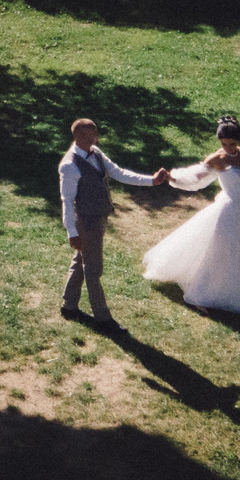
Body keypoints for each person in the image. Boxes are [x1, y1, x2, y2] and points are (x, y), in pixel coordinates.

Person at [141, 116, 240, 314]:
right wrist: (173, 177)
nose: (229, 148)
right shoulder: (218, 160)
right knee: (224, 251)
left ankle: (233, 289)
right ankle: (201, 294)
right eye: (224, 144)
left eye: (232, 144)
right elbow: (196, 177)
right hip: (228, 211)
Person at [58, 118, 172, 329]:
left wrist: (151, 180)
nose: (97, 136)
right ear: (80, 136)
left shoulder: (97, 153)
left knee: (81, 261)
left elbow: (119, 173)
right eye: (93, 133)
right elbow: (67, 201)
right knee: (93, 270)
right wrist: (71, 232)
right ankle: (103, 318)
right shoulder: (69, 166)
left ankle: (69, 304)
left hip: (99, 218)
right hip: (86, 222)